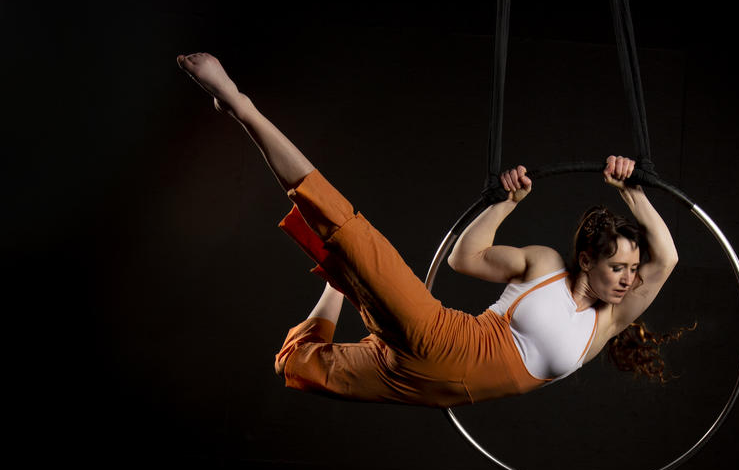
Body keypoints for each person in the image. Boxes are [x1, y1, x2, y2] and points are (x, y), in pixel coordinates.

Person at [176, 52, 679, 407]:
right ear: (587, 259)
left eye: (632, 270)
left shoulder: (608, 322)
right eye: (617, 266)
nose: (628, 279)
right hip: (441, 339)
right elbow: (465, 257)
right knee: (346, 227)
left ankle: (340, 282)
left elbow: (667, 261)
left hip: (421, 387)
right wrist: (507, 202)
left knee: (296, 367)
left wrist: (632, 191)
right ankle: (241, 105)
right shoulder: (545, 264)